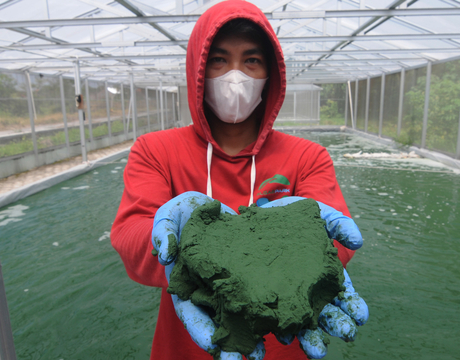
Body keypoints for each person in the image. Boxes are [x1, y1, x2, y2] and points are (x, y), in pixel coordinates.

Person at [111, 1, 368, 359]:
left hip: (284, 339)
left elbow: (335, 240)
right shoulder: (156, 150)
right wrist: (178, 237)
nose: (236, 75)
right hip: (189, 343)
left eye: (251, 60)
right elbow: (128, 235)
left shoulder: (307, 156)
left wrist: (303, 234)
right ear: (198, 70)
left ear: (270, 73)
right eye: (218, 60)